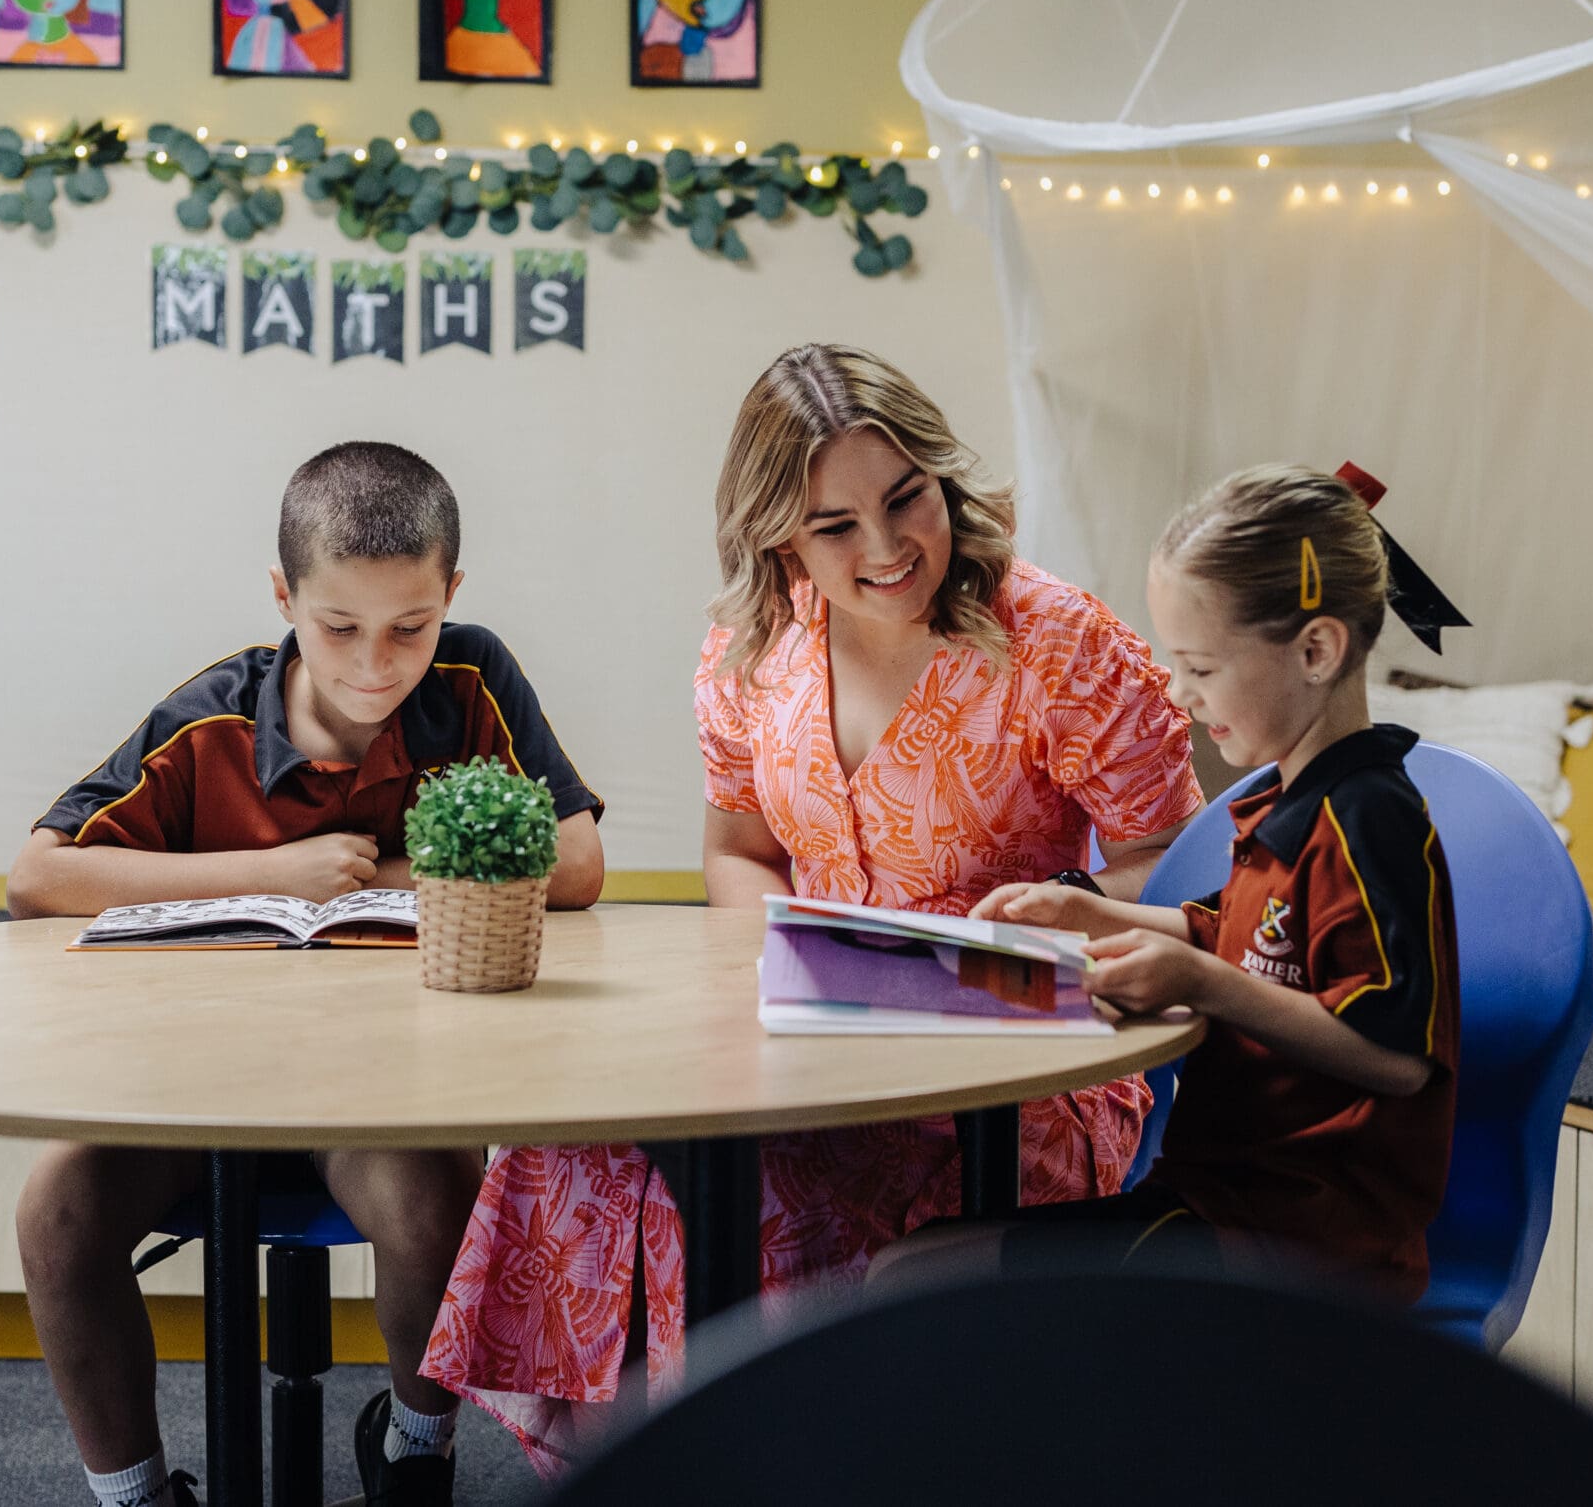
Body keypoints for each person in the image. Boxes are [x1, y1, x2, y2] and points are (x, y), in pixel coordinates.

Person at [423, 345, 1203, 1475]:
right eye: (834, 526)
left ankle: (787, 1467)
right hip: (812, 1024)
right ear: (776, 533)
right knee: (570, 1146)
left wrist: (1064, 914)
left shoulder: (1058, 642)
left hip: (1020, 1055)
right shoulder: (751, 649)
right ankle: (648, 1472)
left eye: (906, 501)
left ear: (943, 480)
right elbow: (737, 853)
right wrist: (792, 954)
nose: (886, 551)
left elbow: (1169, 872)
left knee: (767, 1189)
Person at [7, 442, 606, 1507]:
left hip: (380, 1102)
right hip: (190, 1095)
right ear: (284, 597)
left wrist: (378, 869)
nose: (376, 664)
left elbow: (579, 861)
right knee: (55, 1212)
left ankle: (415, 1454)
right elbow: (38, 875)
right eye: (337, 628)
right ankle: (137, 1497)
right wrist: (274, 871)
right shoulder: (210, 718)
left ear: (450, 597)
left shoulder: (471, 683)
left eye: (408, 627)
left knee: (440, 1202)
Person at [887, 463, 1461, 1301]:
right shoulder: (1283, 802)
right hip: (1222, 1202)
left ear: (1316, 649)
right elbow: (1241, 939)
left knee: (919, 1282)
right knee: (910, 1268)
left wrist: (1204, 984)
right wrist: (1087, 910)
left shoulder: (1368, 821)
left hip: (1308, 1245)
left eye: (1202, 667)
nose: (1184, 697)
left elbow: (1396, 1054)